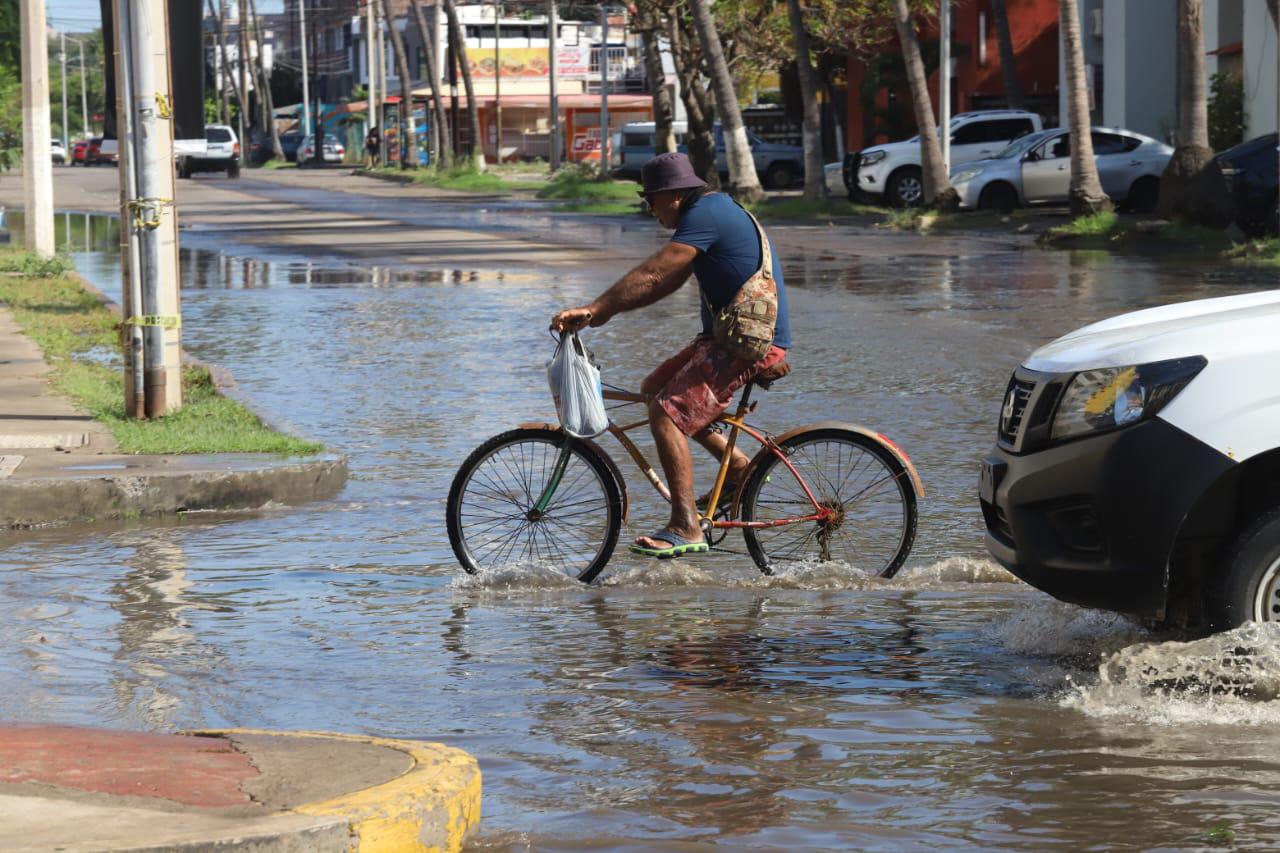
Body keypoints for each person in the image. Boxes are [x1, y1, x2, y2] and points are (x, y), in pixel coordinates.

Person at [550, 152, 792, 559]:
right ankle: (736, 468)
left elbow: (654, 273)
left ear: (675, 195)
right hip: (731, 337)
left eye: (652, 200)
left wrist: (594, 310)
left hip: (747, 342)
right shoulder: (709, 213)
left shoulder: (705, 214)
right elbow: (666, 281)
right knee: (654, 389)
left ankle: (685, 525)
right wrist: (607, 312)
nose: (649, 209)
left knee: (665, 412)